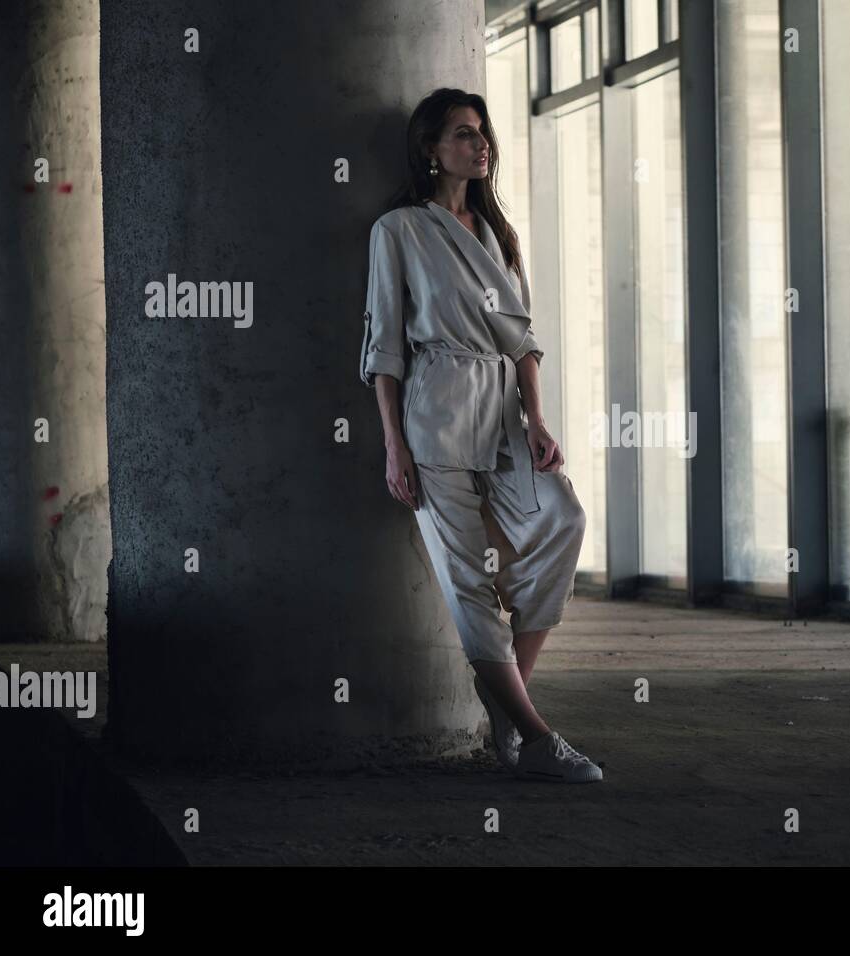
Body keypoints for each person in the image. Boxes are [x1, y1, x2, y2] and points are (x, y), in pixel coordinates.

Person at [359, 88, 602, 783]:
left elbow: (522, 339)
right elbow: (383, 348)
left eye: (482, 133)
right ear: (432, 150)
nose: (480, 144)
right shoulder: (399, 230)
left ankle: (505, 709)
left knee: (562, 518)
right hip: (434, 412)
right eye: (463, 134)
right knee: (468, 580)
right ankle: (539, 736)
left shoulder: (495, 234)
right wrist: (393, 445)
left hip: (502, 412)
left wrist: (538, 421)